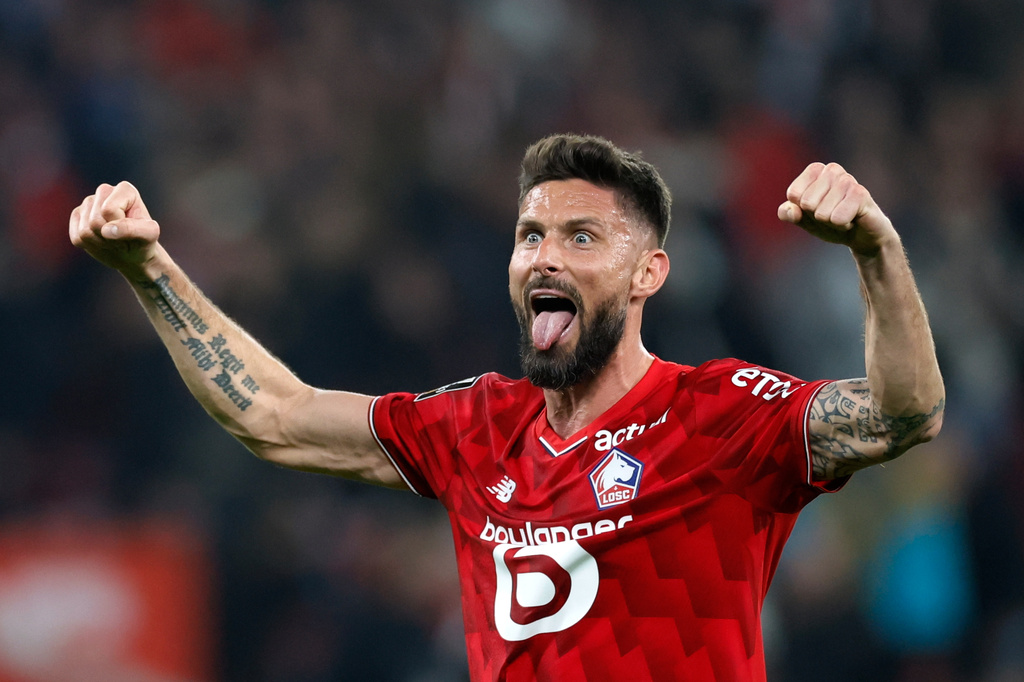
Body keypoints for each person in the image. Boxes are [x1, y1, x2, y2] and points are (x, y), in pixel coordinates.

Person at [69, 134, 944, 681]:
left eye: (581, 237)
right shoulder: (477, 427)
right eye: (531, 236)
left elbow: (904, 415)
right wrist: (152, 273)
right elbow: (276, 415)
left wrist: (875, 249)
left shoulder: (719, 413)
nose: (544, 258)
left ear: (650, 275)